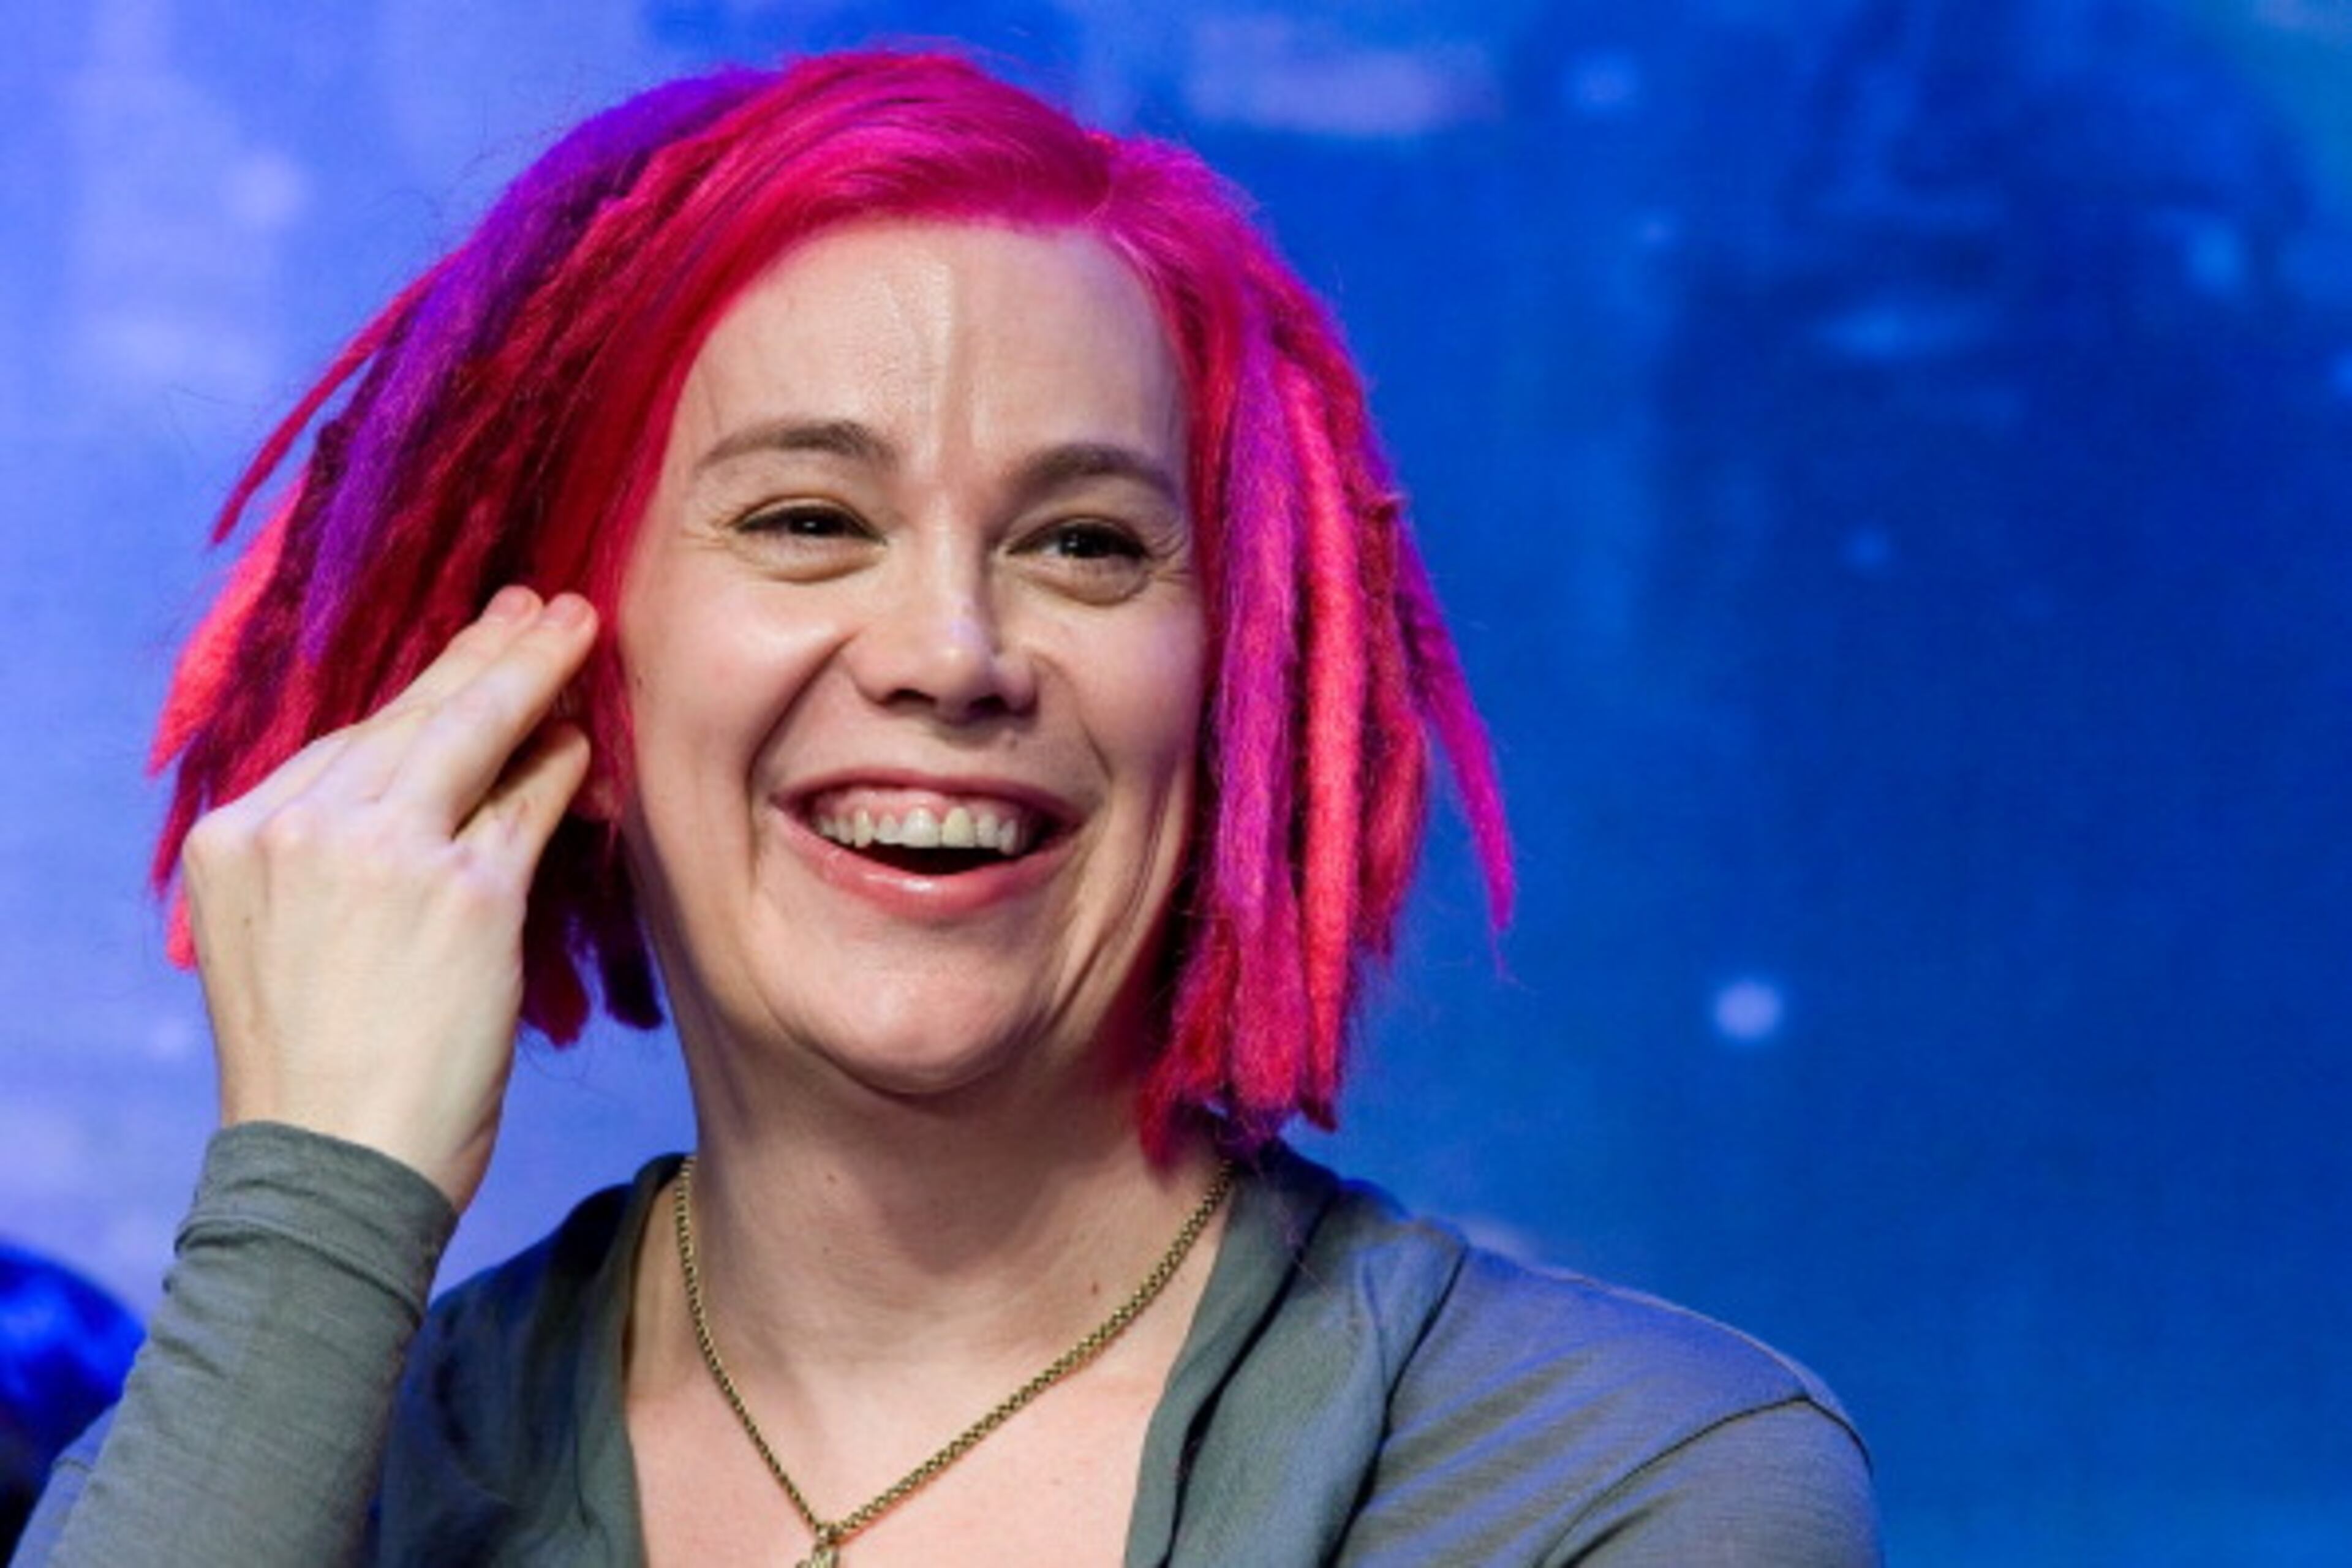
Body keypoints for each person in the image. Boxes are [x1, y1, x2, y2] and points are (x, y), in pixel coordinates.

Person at [15, 50, 1879, 1567]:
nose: (954, 651)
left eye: (1086, 544)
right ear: (554, 666)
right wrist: (319, 1192)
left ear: (1235, 682)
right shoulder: (296, 1456)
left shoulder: (1619, 1489)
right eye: (808, 520)